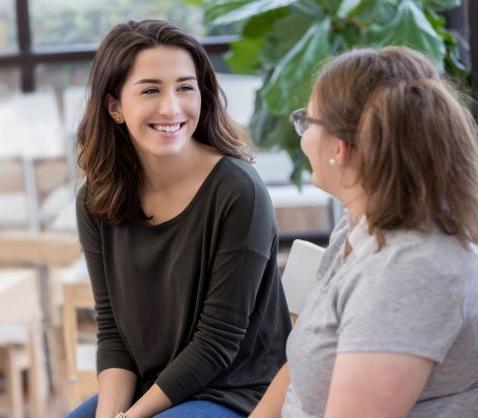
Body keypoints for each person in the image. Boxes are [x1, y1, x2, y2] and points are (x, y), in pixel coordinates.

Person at [69, 19, 291, 418]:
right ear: (114, 105)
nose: (171, 107)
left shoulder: (238, 191)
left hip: (235, 392)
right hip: (150, 387)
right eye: (151, 89)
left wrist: (131, 417)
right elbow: (113, 331)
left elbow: (217, 342)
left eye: (185, 87)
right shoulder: (96, 199)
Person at [250, 46, 478, 418]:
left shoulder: (408, 272)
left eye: (307, 121)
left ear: (339, 149)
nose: (302, 137)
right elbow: (300, 375)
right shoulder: (359, 226)